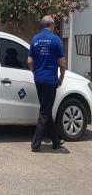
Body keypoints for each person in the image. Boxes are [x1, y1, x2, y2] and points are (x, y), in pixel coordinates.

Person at [27, 15, 66, 152]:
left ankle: (55, 140)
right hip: (50, 81)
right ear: (50, 24)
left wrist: (34, 72)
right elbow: (62, 64)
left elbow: (30, 62)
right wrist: (61, 78)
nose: (55, 25)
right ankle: (35, 144)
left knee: (46, 109)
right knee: (45, 112)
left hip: (38, 80)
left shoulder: (35, 39)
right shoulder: (56, 40)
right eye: (54, 23)